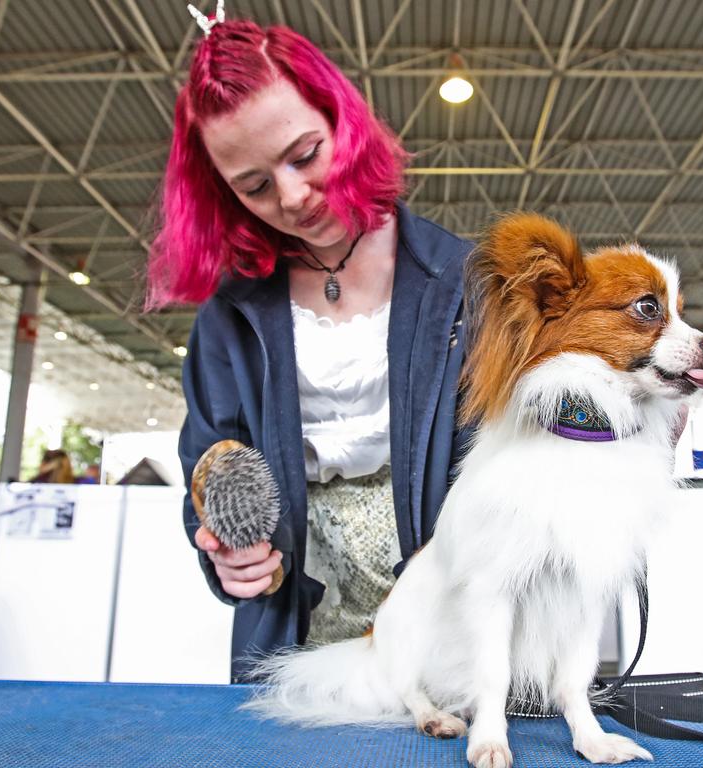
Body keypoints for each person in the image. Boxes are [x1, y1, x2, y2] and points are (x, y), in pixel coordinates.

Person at [148, 12, 473, 682]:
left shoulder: (467, 286)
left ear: (343, 121)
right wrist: (226, 556)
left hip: (463, 636)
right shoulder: (227, 319)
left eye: (304, 155)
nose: (292, 197)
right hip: (292, 648)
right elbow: (208, 468)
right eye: (255, 185)